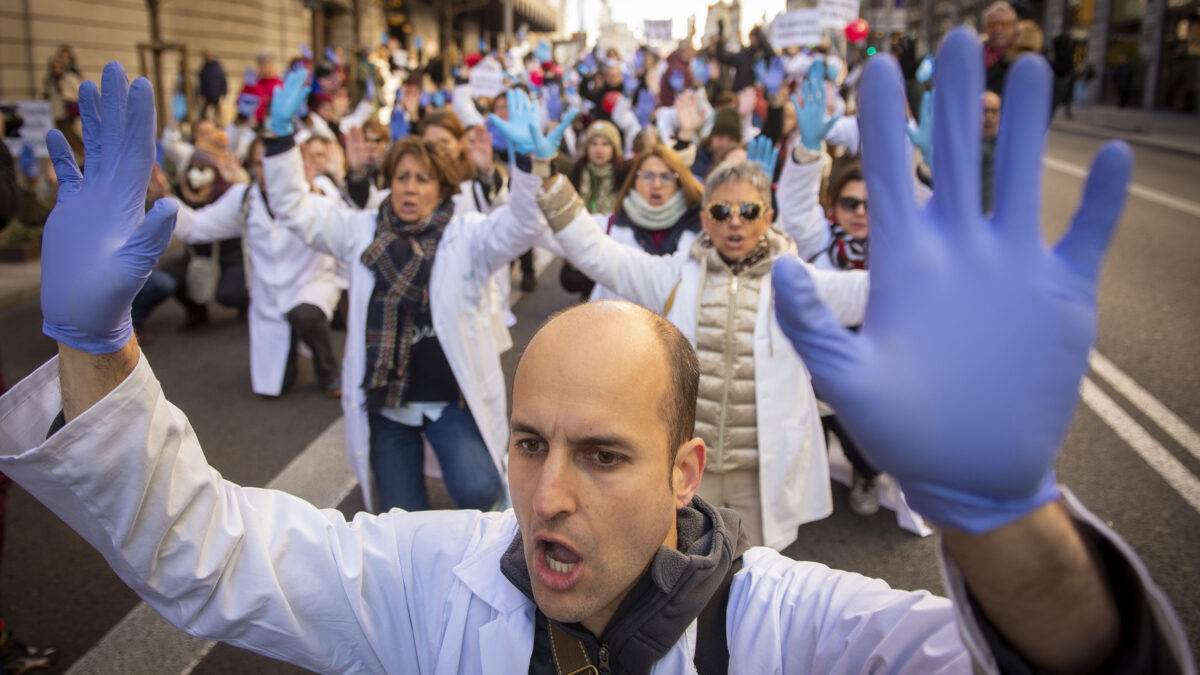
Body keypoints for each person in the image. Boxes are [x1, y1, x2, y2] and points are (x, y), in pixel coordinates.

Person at [3, 33, 1195, 675]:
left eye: (605, 454)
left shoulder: (786, 634)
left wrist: (1003, 523)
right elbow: (210, 552)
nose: (546, 496)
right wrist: (91, 344)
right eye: (528, 443)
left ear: (687, 472)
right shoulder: (434, 590)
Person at [262, 73, 573, 514]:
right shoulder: (360, 230)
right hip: (386, 402)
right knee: (399, 519)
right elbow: (294, 209)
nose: (410, 187)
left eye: (423, 179)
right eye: (402, 177)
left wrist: (526, 163)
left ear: (443, 187)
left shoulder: (468, 236)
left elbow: (523, 225)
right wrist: (278, 138)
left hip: (447, 398)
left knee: (480, 490)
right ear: (389, 182)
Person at [155, 136, 345, 398]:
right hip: (268, 300)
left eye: (273, 162)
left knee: (305, 314)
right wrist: (163, 198)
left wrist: (310, 187)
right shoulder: (244, 198)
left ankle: (329, 373)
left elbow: (340, 221)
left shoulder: (315, 189)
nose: (266, 172)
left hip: (310, 286)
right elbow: (197, 228)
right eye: (258, 164)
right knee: (274, 389)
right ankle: (290, 348)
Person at [983, 1, 1018, 94]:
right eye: (992, 25)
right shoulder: (975, 55)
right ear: (986, 29)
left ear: (1014, 28)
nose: (998, 29)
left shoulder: (1022, 57)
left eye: (1004, 24)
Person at [981, 90, 1001, 214]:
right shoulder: (964, 146)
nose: (989, 117)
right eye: (984, 111)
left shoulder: (1006, 146)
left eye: (994, 111)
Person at [197, 50, 227, 125]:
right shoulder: (204, 69)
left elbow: (223, 80)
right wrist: (202, 94)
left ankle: (219, 125)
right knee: (204, 113)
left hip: (216, 94)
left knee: (218, 113)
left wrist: (223, 92)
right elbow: (202, 83)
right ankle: (205, 124)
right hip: (207, 95)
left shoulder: (218, 67)